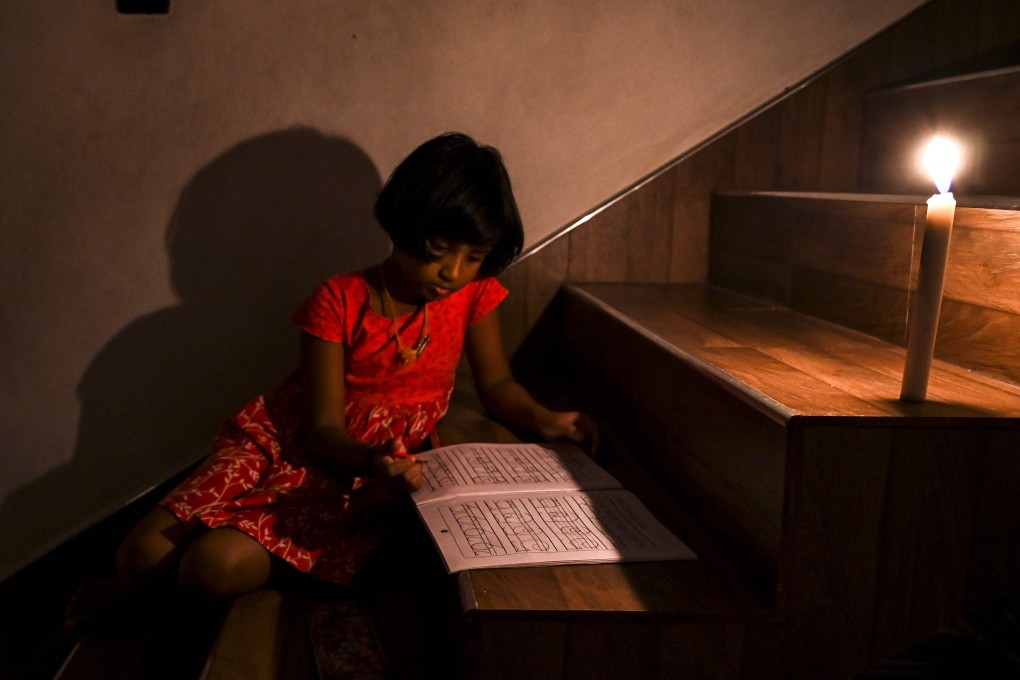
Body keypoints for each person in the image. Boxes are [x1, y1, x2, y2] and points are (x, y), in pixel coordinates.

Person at [113, 131, 599, 601]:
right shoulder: (339, 299)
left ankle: (244, 565)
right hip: (304, 441)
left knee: (211, 568)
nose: (453, 272)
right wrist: (371, 458)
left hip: (364, 473)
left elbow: (497, 384)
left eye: (474, 256)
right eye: (438, 249)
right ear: (405, 222)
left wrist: (546, 419)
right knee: (141, 555)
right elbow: (323, 430)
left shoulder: (473, 295)